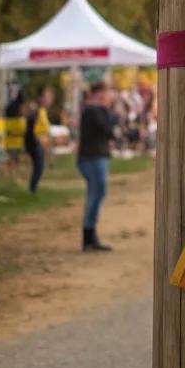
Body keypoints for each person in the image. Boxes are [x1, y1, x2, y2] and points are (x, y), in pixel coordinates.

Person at [78, 82, 117, 252]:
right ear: (100, 93)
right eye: (108, 93)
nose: (110, 96)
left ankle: (90, 236)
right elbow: (107, 130)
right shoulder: (94, 109)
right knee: (97, 193)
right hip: (93, 158)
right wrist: (108, 109)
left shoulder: (92, 110)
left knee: (95, 194)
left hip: (93, 157)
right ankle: (89, 236)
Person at [23, 92, 46, 194]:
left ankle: (33, 188)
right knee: (39, 166)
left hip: (34, 142)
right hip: (33, 143)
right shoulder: (35, 114)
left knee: (39, 166)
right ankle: (32, 189)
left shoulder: (37, 113)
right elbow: (33, 130)